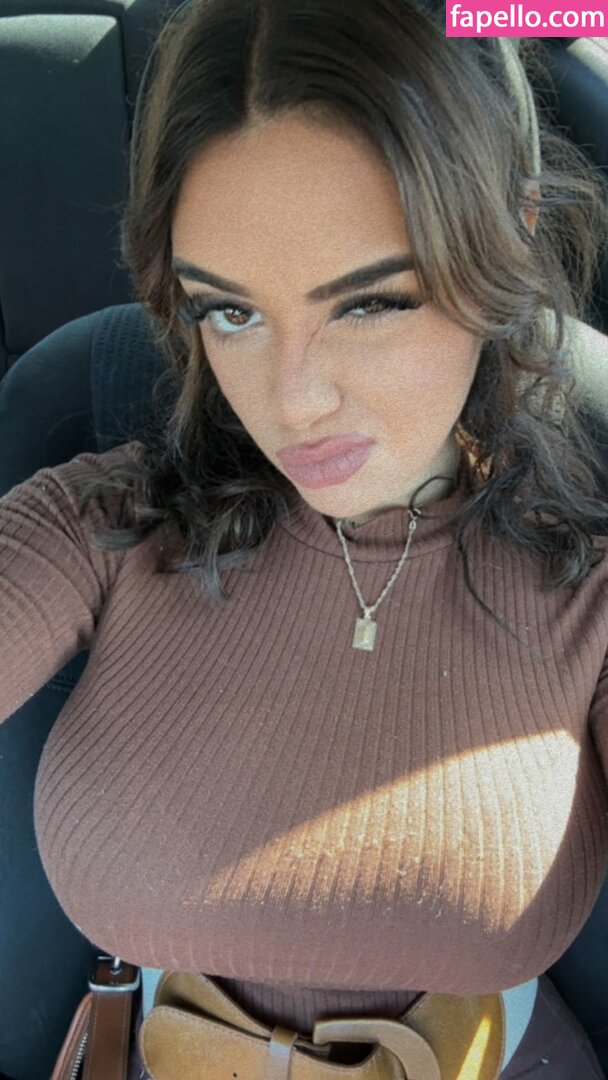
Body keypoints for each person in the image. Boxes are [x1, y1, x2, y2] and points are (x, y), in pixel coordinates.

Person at [2, 0, 608, 1077]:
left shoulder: (586, 584)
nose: (292, 402)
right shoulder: (103, 522)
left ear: (508, 233)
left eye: (368, 303)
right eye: (229, 312)